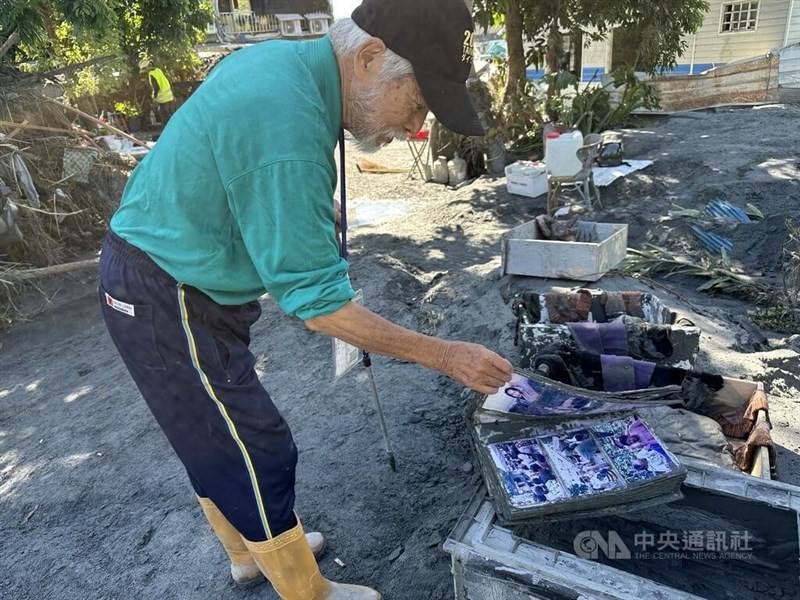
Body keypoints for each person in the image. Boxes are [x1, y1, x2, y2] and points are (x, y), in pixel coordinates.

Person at [98, 1, 512, 599]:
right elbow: (319, 308)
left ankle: (249, 555)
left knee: (207, 430)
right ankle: (308, 593)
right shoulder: (286, 120)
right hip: (163, 289)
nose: (416, 127)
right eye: (417, 102)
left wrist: (285, 204)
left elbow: (233, 158)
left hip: (178, 273)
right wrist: (445, 355)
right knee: (253, 444)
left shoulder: (289, 65)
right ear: (370, 57)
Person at [142, 58, 175, 125]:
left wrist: (154, 97)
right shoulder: (158, 70)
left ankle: (169, 130)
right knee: (171, 114)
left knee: (165, 116)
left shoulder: (151, 75)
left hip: (162, 98)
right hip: (169, 96)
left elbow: (156, 87)